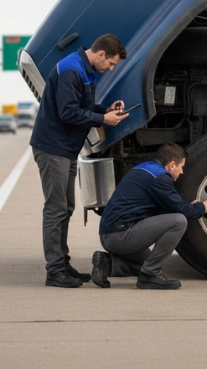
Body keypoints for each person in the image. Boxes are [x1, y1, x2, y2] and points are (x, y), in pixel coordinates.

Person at [30, 34, 129, 288]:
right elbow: (68, 112)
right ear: (101, 54)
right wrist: (103, 120)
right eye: (111, 63)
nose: (111, 68)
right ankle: (54, 271)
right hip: (53, 148)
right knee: (56, 209)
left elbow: (82, 105)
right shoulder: (72, 70)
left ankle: (62, 265)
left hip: (65, 149)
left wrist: (104, 110)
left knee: (66, 208)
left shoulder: (84, 69)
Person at [90, 143, 207, 290]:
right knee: (179, 221)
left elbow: (165, 209)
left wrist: (191, 207)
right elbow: (181, 210)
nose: (182, 172)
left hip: (111, 233)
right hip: (120, 236)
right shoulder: (160, 177)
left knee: (148, 262)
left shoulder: (145, 169)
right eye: (181, 167)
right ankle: (150, 276)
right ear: (172, 165)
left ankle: (106, 264)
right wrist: (203, 207)